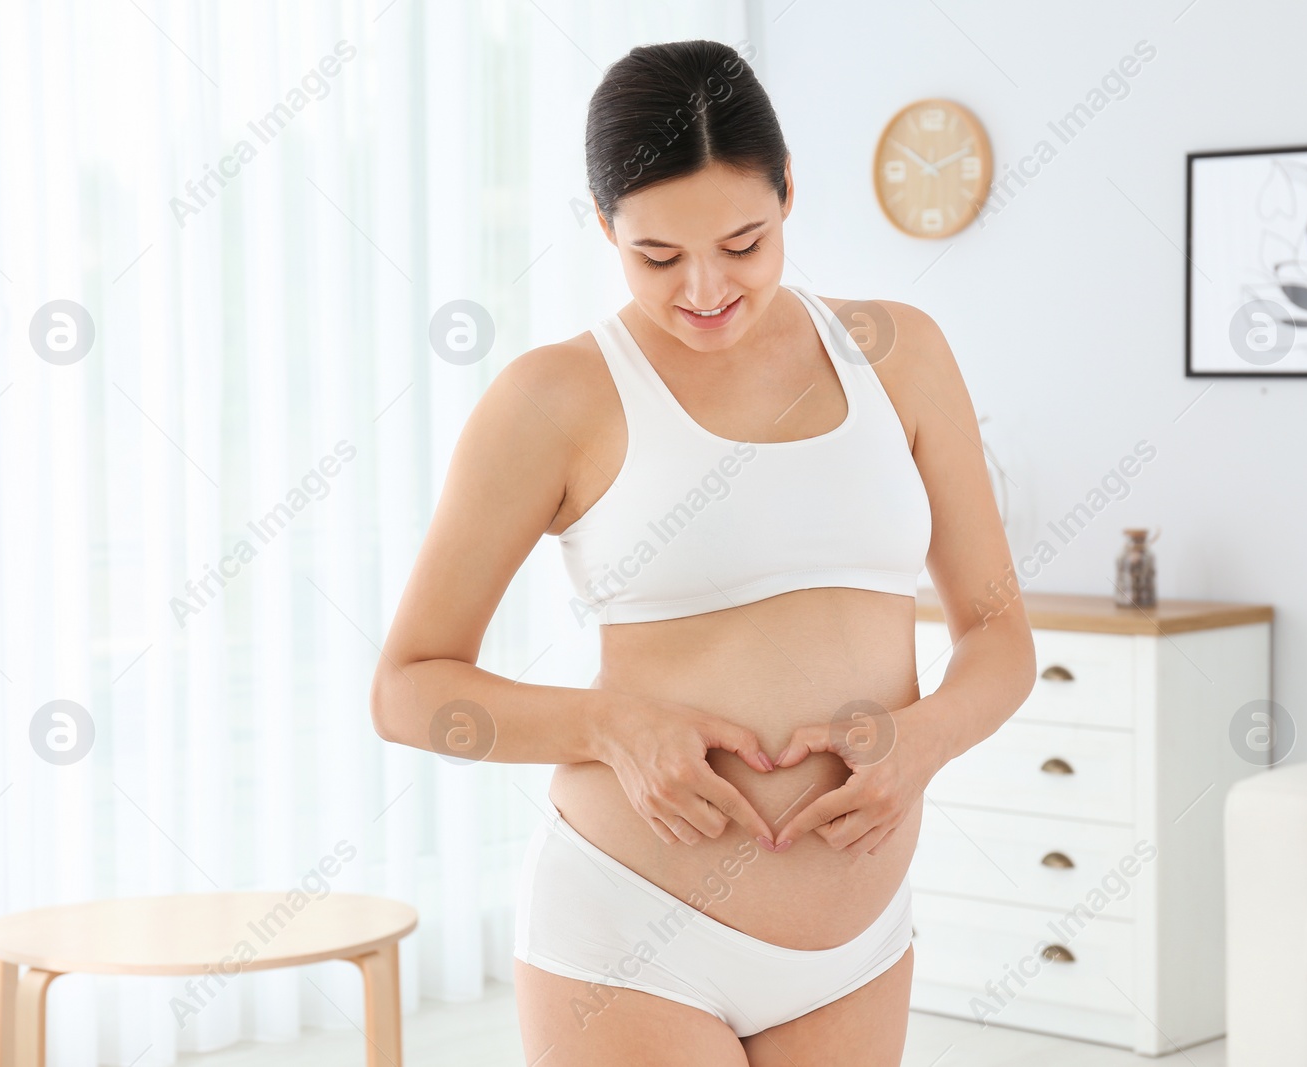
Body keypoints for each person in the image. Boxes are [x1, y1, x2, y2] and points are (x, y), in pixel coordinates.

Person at [370, 38, 1035, 1067]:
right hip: (632, 936)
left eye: (744, 241)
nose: (708, 289)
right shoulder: (554, 399)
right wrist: (608, 726)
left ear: (787, 199)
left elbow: (997, 631)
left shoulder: (901, 355)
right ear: (605, 229)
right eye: (658, 257)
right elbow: (408, 689)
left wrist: (926, 738)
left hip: (857, 944)